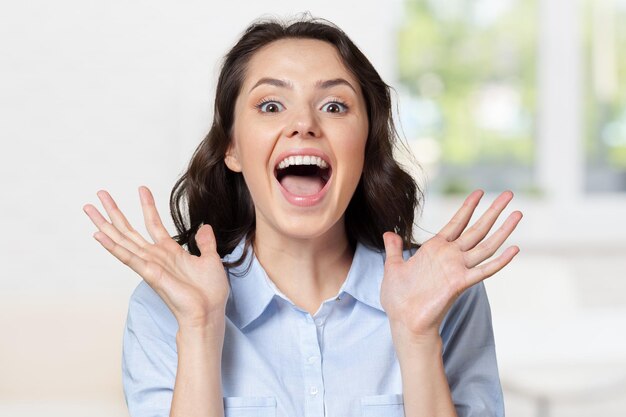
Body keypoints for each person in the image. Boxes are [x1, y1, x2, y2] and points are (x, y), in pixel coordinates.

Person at [83, 16, 522, 417]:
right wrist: (199, 328)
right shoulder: (167, 305)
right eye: (271, 106)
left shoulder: (445, 295)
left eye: (334, 106)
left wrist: (418, 336)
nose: (304, 124)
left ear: (366, 146)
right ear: (232, 148)